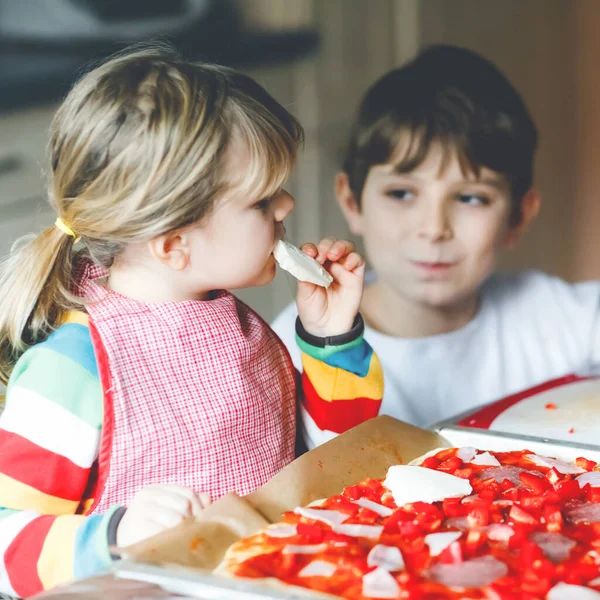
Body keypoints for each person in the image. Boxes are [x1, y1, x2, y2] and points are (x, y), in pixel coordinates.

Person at [0, 47, 382, 597]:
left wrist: (329, 339)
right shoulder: (73, 371)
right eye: (261, 201)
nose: (287, 205)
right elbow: (8, 544)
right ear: (175, 245)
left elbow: (337, 459)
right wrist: (112, 535)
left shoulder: (244, 328)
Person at [272, 44, 600, 439]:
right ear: (352, 201)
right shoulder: (287, 353)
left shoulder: (562, 318)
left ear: (519, 216)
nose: (433, 228)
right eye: (401, 193)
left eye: (470, 198)